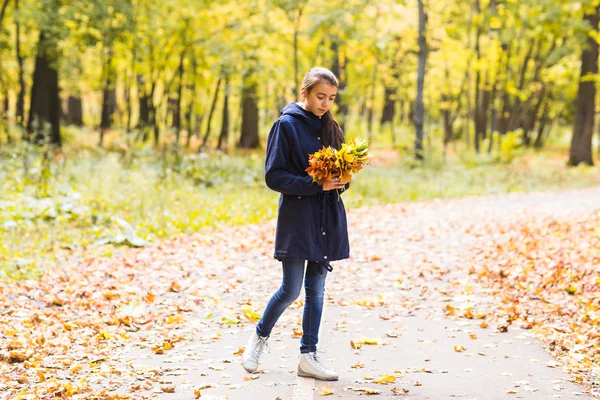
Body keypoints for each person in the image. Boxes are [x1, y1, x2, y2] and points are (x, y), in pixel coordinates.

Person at [241, 67, 350, 381]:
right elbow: (274, 176)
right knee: (290, 289)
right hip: (297, 218)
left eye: (330, 98)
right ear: (305, 93)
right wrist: (315, 184)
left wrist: (341, 180)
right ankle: (259, 339)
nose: (325, 103)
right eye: (320, 96)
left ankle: (308, 355)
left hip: (327, 217)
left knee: (316, 290)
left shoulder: (333, 128)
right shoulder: (285, 126)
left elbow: (341, 180)